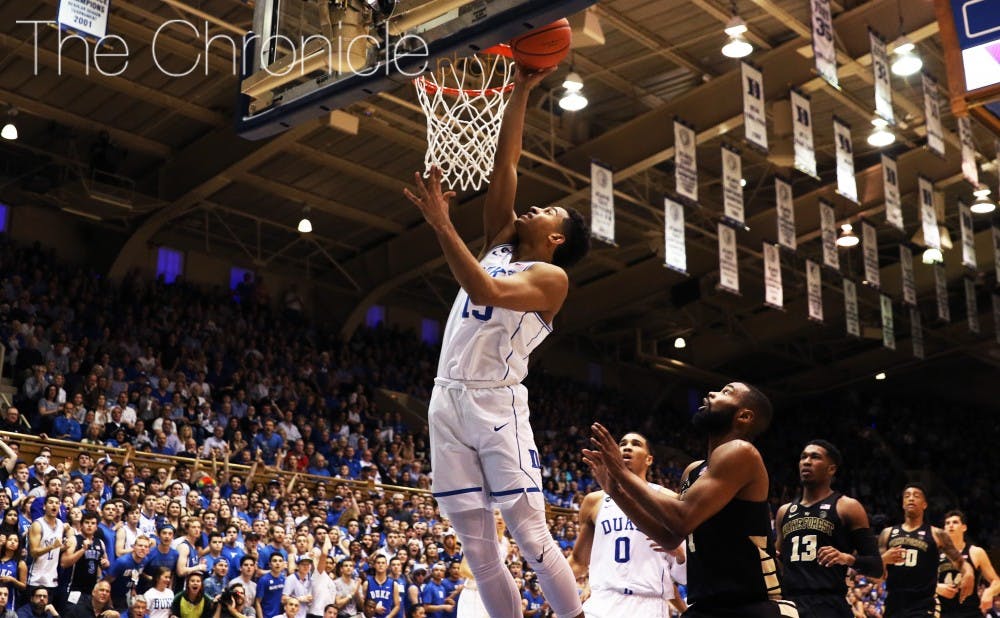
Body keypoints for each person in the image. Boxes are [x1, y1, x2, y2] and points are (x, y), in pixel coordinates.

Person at [402, 60, 590, 618]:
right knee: (479, 552)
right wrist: (523, 90)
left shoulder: (551, 279)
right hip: (447, 397)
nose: (535, 205)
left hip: (496, 402)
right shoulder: (502, 242)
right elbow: (505, 162)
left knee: (530, 538)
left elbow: (481, 289)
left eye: (549, 210)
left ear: (555, 237)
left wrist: (442, 224)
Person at [582, 382, 799, 617]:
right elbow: (669, 536)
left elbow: (681, 518)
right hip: (706, 602)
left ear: (744, 416)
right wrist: (615, 492)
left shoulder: (741, 452)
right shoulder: (694, 471)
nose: (711, 393)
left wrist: (621, 474)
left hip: (750, 601)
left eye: (726, 392)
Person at [568, 432, 686, 618]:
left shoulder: (669, 499)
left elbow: (683, 576)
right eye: (622, 443)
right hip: (601, 603)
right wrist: (548, 576)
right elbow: (578, 561)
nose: (627, 447)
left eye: (636, 444)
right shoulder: (594, 501)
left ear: (649, 459)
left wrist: (680, 555)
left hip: (648, 604)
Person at [774, 440, 882, 617]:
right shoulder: (784, 512)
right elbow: (778, 562)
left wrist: (847, 559)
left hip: (829, 605)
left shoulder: (847, 507)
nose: (807, 461)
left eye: (815, 457)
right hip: (790, 605)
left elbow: (877, 568)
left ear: (831, 469)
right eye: (803, 457)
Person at [879, 484, 973, 618]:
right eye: (907, 496)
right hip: (894, 605)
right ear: (903, 504)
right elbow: (875, 577)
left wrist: (969, 573)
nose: (911, 499)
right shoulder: (887, 533)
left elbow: (960, 562)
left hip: (923, 606)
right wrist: (883, 560)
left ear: (924, 504)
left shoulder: (937, 534)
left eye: (916, 496)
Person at [936, 510, 999, 616]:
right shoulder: (934, 553)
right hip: (943, 613)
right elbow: (922, 582)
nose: (950, 525)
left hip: (971, 612)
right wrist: (936, 587)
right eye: (947, 523)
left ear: (964, 528)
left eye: (955, 522)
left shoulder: (976, 552)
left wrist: (989, 592)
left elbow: (996, 581)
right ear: (944, 529)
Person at [61, 511, 110, 604]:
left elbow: (105, 562)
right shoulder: (74, 540)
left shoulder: (100, 542)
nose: (89, 525)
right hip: (73, 588)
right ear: (81, 525)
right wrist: (82, 550)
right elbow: (63, 563)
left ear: (96, 527)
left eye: (93, 523)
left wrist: (106, 563)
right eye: (87, 522)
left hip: (92, 590)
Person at [27, 496, 67, 606]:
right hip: (36, 577)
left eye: (57, 503)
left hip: (52, 578)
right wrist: (52, 546)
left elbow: (57, 549)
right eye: (50, 502)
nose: (54, 505)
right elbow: (33, 552)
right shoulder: (37, 525)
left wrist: (64, 546)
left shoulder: (60, 525)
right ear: (44, 506)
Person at [104, 535, 152, 611]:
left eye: (146, 547)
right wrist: (109, 602)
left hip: (124, 595)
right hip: (110, 594)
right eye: (140, 545)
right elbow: (106, 582)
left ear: (148, 550)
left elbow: (137, 573)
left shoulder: (145, 560)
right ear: (134, 547)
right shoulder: (122, 562)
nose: (143, 548)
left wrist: (133, 588)